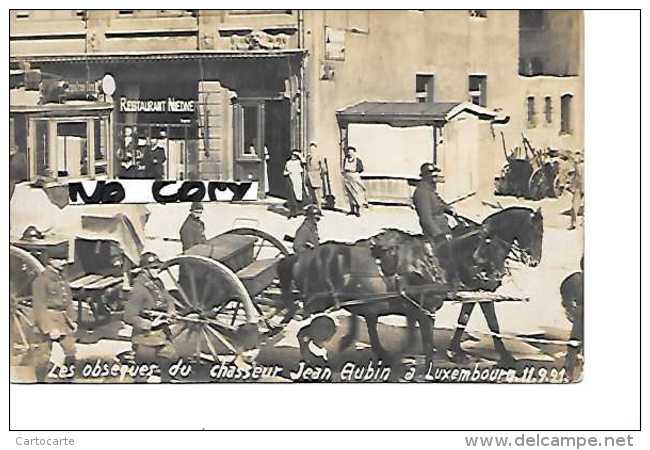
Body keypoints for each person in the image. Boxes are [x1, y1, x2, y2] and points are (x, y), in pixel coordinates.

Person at [123, 252, 178, 382]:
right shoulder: (138, 289)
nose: (157, 270)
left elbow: (168, 298)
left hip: (162, 334)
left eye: (157, 267)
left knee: (170, 357)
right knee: (143, 371)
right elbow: (128, 316)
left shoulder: (157, 282)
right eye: (153, 268)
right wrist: (150, 324)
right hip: (145, 337)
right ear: (144, 270)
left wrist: (171, 311)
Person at [31, 252, 77, 382]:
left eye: (64, 259)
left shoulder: (61, 278)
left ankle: (68, 379)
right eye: (60, 259)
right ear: (50, 260)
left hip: (63, 320)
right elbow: (39, 307)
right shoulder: (41, 280)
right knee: (43, 356)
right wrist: (49, 328)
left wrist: (72, 320)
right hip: (48, 319)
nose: (63, 262)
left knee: (71, 351)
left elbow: (68, 300)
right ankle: (40, 381)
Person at [412, 163, 459, 285]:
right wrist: (439, 235)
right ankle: (450, 282)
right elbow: (426, 219)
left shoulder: (430, 190)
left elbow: (439, 203)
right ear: (426, 176)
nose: (436, 178)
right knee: (449, 254)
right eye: (433, 176)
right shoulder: (421, 192)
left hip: (444, 228)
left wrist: (449, 209)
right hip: (435, 232)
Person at [342, 147, 367, 217]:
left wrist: (354, 172)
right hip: (347, 177)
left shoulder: (357, 160)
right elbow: (343, 168)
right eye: (348, 152)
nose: (349, 153)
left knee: (356, 193)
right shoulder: (345, 160)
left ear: (354, 153)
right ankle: (352, 210)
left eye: (351, 152)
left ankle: (358, 211)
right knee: (349, 194)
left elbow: (361, 169)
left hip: (355, 176)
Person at [284, 150, 306, 218]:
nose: (293, 157)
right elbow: (285, 171)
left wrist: (300, 155)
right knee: (292, 196)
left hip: (298, 180)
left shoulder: (298, 162)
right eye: (292, 155)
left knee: (299, 194)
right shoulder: (288, 162)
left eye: (295, 155)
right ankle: (293, 212)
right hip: (291, 179)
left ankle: (299, 210)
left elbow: (304, 162)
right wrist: (288, 173)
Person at [567, 151, 584, 230]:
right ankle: (573, 223)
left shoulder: (579, 166)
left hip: (581, 187)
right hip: (579, 187)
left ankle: (577, 223)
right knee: (574, 206)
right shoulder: (577, 166)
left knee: (575, 206)